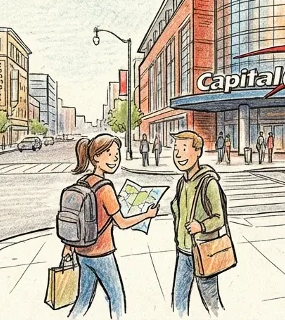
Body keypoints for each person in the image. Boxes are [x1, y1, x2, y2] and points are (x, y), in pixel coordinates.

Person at [63, 134, 159, 318]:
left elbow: (73, 219)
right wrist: (147, 214)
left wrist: (68, 247)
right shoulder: (106, 188)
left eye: (117, 154)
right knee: (116, 297)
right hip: (102, 253)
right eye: (109, 153)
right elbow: (122, 223)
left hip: (82, 252)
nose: (115, 158)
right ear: (96, 157)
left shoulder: (82, 183)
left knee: (83, 297)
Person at [170, 130, 228, 315]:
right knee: (178, 301)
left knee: (212, 303)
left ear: (198, 152)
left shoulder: (208, 183)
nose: (178, 154)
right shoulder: (181, 183)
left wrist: (201, 226)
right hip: (183, 252)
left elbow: (219, 218)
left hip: (203, 251)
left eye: (184, 149)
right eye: (176, 149)